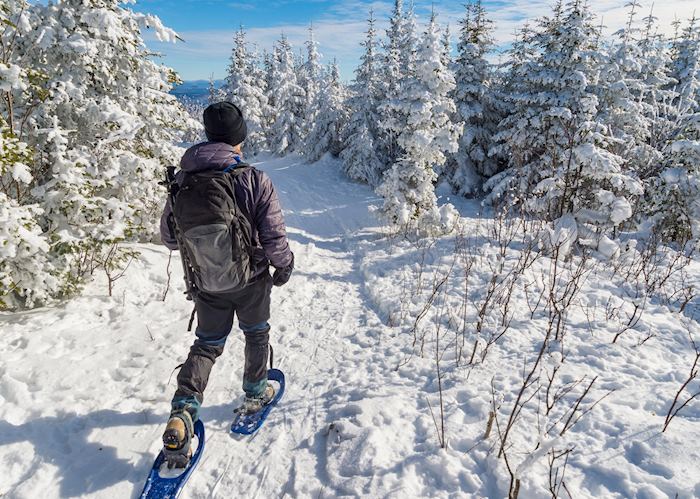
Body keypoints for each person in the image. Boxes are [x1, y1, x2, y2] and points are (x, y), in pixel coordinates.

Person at [159, 101, 294, 467]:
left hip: (206, 283)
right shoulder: (252, 178)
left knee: (206, 344)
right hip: (250, 280)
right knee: (256, 332)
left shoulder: (183, 180)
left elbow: (170, 237)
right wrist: (284, 266)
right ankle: (254, 393)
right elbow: (273, 237)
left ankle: (184, 411)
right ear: (239, 137)